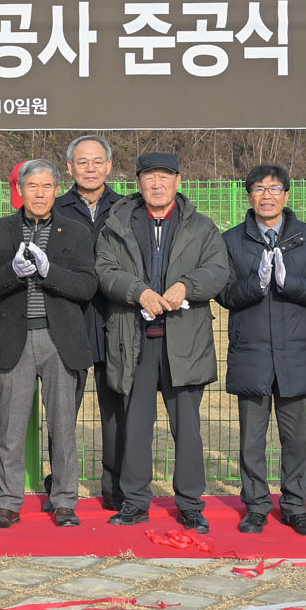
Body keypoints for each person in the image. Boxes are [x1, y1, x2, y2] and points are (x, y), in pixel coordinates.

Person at [94, 152, 229, 532]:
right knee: (134, 427)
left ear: (178, 181)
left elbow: (218, 270)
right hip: (133, 339)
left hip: (184, 341)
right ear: (138, 182)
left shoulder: (201, 226)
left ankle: (190, 504)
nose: (157, 184)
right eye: (150, 177)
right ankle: (135, 502)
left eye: (165, 177)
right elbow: (104, 270)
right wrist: (138, 292)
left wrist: (187, 285)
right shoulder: (117, 223)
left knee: (187, 430)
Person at [0, 158, 96, 529]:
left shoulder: (75, 231)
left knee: (62, 427)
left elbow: (87, 286)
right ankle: (8, 503)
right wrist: (12, 272)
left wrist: (49, 272)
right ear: (20, 190)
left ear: (57, 190)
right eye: (32, 186)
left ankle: (64, 501)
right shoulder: (0, 230)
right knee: (11, 428)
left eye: (46, 186)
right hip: (15, 338)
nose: (40, 193)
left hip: (60, 340)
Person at [216, 165, 306, 536]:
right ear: (249, 195)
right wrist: (258, 283)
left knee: (296, 440)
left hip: (296, 352)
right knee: (252, 439)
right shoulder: (232, 240)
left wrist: (286, 281)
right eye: (259, 188)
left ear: (286, 194)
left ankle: (296, 507)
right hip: (251, 351)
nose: (267, 195)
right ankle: (256, 507)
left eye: (275, 188)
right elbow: (224, 294)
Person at [58, 134, 129, 510]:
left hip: (116, 320)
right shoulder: (55, 209)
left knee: (116, 409)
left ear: (109, 166)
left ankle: (116, 487)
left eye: (97, 161)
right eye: (82, 162)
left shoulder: (127, 208)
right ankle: (61, 486)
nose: (90, 168)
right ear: (69, 167)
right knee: (63, 410)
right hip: (68, 321)